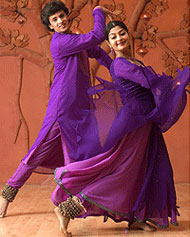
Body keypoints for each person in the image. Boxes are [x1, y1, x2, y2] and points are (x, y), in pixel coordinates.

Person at [51, 21, 190, 236]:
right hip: (133, 123)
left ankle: (134, 218)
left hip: (144, 121)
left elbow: (151, 85)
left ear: (128, 34)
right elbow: (151, 82)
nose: (119, 39)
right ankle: (67, 209)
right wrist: (181, 81)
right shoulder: (122, 65)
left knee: (142, 171)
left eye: (122, 33)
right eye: (113, 37)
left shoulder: (130, 61)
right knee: (121, 172)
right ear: (109, 43)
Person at [0, 0, 113, 218]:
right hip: (61, 110)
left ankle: (71, 207)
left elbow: (97, 52)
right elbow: (98, 35)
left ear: (67, 16)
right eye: (55, 20)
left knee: (78, 157)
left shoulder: (75, 40)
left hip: (80, 110)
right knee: (37, 152)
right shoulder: (60, 42)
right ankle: (7, 194)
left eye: (62, 16)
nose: (60, 21)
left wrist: (117, 68)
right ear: (51, 26)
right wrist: (98, 11)